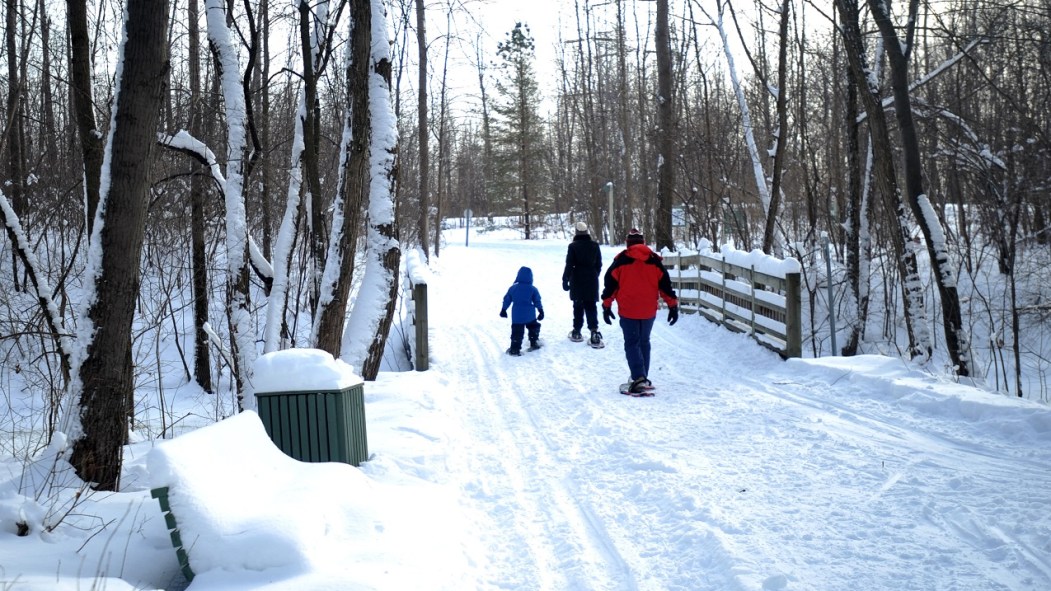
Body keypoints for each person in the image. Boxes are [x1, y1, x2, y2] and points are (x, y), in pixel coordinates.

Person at [600, 229, 679, 393]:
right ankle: (642, 376)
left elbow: (611, 285)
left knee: (632, 342)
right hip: (648, 310)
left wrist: (606, 305)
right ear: (642, 242)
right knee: (644, 342)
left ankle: (638, 378)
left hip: (628, 309)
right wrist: (673, 305)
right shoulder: (654, 261)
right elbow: (665, 285)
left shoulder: (621, 261)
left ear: (628, 242)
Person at [562, 221, 604, 347]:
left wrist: (565, 279)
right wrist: (594, 274)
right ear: (586, 232)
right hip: (591, 279)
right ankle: (594, 332)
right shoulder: (595, 245)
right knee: (591, 306)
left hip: (577, 279)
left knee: (578, 305)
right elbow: (599, 264)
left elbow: (569, 264)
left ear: (576, 232)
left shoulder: (573, 246)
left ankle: (577, 331)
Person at [500, 266, 545, 356]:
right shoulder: (532, 289)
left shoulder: (513, 288)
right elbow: (537, 300)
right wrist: (540, 310)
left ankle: (514, 349)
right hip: (530, 315)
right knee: (533, 327)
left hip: (517, 316)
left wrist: (503, 309)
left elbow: (507, 299)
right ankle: (534, 342)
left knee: (517, 332)